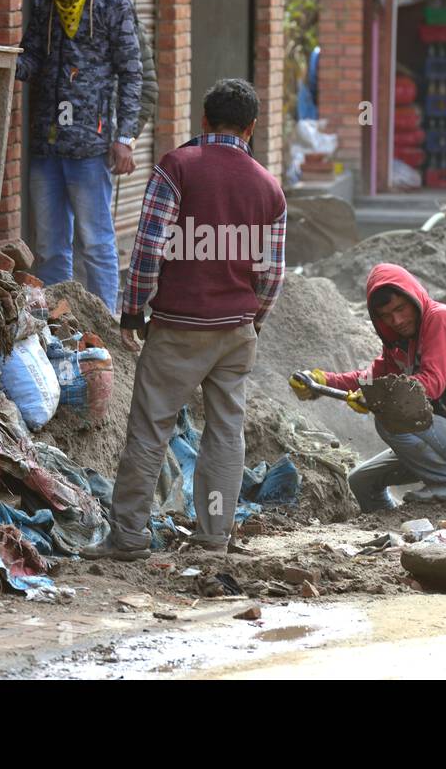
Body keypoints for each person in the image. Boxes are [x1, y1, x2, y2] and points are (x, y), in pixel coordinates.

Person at [83, 79, 287, 560]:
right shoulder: (268, 187)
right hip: (235, 331)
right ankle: (214, 536)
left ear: (203, 120)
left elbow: (150, 247)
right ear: (252, 128)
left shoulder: (177, 167)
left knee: (151, 430)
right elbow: (272, 273)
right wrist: (251, 321)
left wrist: (134, 310)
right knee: (225, 434)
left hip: (178, 326)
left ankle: (129, 536)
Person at [15, 0, 157, 312]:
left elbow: (133, 73)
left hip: (90, 149)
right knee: (49, 247)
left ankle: (105, 326)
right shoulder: (45, 1)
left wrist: (125, 137)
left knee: (96, 243)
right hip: (46, 145)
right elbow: (33, 58)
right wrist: (3, 62)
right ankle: (56, 330)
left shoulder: (113, 2)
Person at [291, 263, 446, 511]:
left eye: (401, 309)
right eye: (387, 316)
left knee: (389, 414)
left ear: (414, 297)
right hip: (442, 443)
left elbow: (431, 384)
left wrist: (379, 397)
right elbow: (370, 379)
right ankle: (397, 523)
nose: (397, 320)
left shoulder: (441, 319)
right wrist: (321, 381)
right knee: (361, 482)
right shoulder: (399, 343)